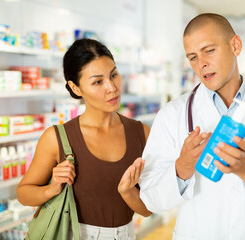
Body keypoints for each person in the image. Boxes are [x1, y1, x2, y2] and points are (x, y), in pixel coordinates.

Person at [139, 13, 245, 239]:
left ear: (235, 45)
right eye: (193, 57)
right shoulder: (172, 114)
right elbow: (149, 196)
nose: (202, 64)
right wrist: (183, 167)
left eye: (209, 50)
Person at [17, 38, 151, 240]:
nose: (112, 87)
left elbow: (147, 210)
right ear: (75, 88)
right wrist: (52, 189)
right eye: (98, 81)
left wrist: (128, 192)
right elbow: (23, 193)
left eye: (113, 75)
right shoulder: (57, 138)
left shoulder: (142, 133)